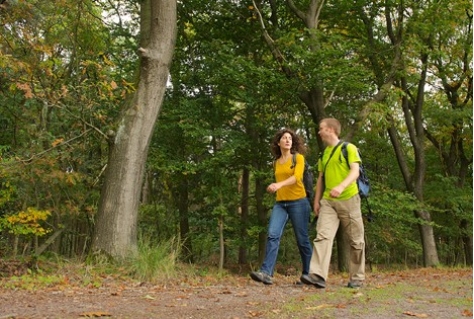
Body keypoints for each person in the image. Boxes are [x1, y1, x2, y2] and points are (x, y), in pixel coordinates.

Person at [301, 118, 365, 289]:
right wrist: (317, 201)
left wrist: (341, 186)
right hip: (328, 201)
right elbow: (320, 179)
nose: (319, 132)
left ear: (330, 129)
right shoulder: (324, 154)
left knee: (356, 241)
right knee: (322, 236)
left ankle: (357, 277)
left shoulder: (348, 148)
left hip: (349, 199)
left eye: (321, 128)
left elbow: (355, 171)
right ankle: (317, 275)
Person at [250, 128, 313, 285]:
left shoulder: (298, 158)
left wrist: (278, 184)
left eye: (290, 138)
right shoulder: (275, 163)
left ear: (293, 142)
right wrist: (273, 187)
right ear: (278, 143)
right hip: (281, 204)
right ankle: (266, 273)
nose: (287, 140)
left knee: (302, 240)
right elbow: (279, 183)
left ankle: (309, 275)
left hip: (299, 202)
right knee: (272, 234)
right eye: (284, 138)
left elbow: (297, 178)